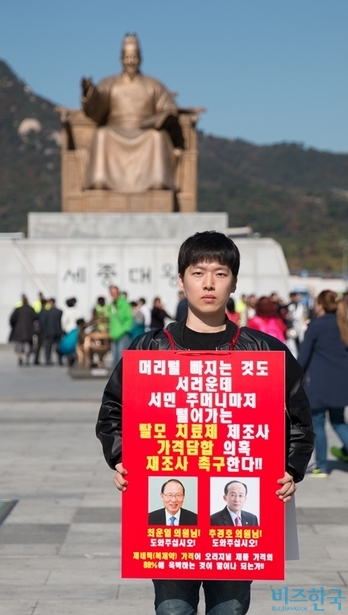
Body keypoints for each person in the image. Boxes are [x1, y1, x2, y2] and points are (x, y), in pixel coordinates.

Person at [96, 230, 314, 615]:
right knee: (173, 609)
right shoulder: (149, 348)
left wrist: (290, 469)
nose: (209, 283)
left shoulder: (265, 350)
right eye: (198, 273)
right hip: (170, 534)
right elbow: (114, 410)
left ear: (234, 281)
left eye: (220, 273)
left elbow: (299, 416)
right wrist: (122, 458)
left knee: (228, 609)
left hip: (237, 534)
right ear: (181, 280)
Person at [81, 34, 180, 192]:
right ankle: (99, 182)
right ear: (121, 59)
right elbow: (97, 106)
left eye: (134, 57)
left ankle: (157, 183)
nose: (130, 61)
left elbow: (168, 106)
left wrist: (164, 116)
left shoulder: (153, 85)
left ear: (140, 58)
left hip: (145, 131)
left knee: (157, 137)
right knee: (101, 135)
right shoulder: (110, 83)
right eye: (127, 57)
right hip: (115, 129)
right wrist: (89, 92)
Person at [298, 290, 348, 476]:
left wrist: (294, 378)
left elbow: (303, 357)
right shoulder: (343, 324)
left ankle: (321, 465)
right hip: (341, 383)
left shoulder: (316, 326)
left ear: (320, 305)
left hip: (319, 383)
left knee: (318, 424)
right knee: (338, 422)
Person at [108, 285, 134, 367]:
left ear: (118, 293)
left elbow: (129, 320)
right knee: (115, 358)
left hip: (123, 334)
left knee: (121, 358)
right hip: (114, 335)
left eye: (114, 293)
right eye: (111, 293)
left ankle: (122, 378)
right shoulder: (111, 305)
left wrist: (122, 330)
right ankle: (116, 377)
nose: (113, 295)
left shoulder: (125, 304)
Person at [8, 295, 37, 366]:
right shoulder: (31, 309)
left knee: (18, 345)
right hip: (28, 331)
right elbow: (36, 318)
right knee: (28, 345)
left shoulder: (17, 310)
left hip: (18, 331)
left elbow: (11, 319)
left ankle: (20, 356)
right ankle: (27, 358)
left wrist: (14, 326)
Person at [42, 298, 63, 365]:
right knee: (59, 347)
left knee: (48, 347)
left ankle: (48, 360)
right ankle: (60, 360)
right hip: (58, 331)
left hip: (49, 332)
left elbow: (44, 322)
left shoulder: (46, 312)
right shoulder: (59, 311)